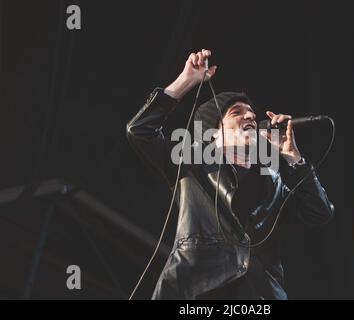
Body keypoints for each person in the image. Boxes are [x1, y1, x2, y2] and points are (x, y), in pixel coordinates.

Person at [126, 49, 334, 300]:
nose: (249, 115)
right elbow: (139, 131)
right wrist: (186, 81)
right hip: (198, 290)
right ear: (213, 133)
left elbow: (318, 212)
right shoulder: (193, 165)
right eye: (236, 112)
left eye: (251, 114)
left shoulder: (271, 179)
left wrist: (293, 157)